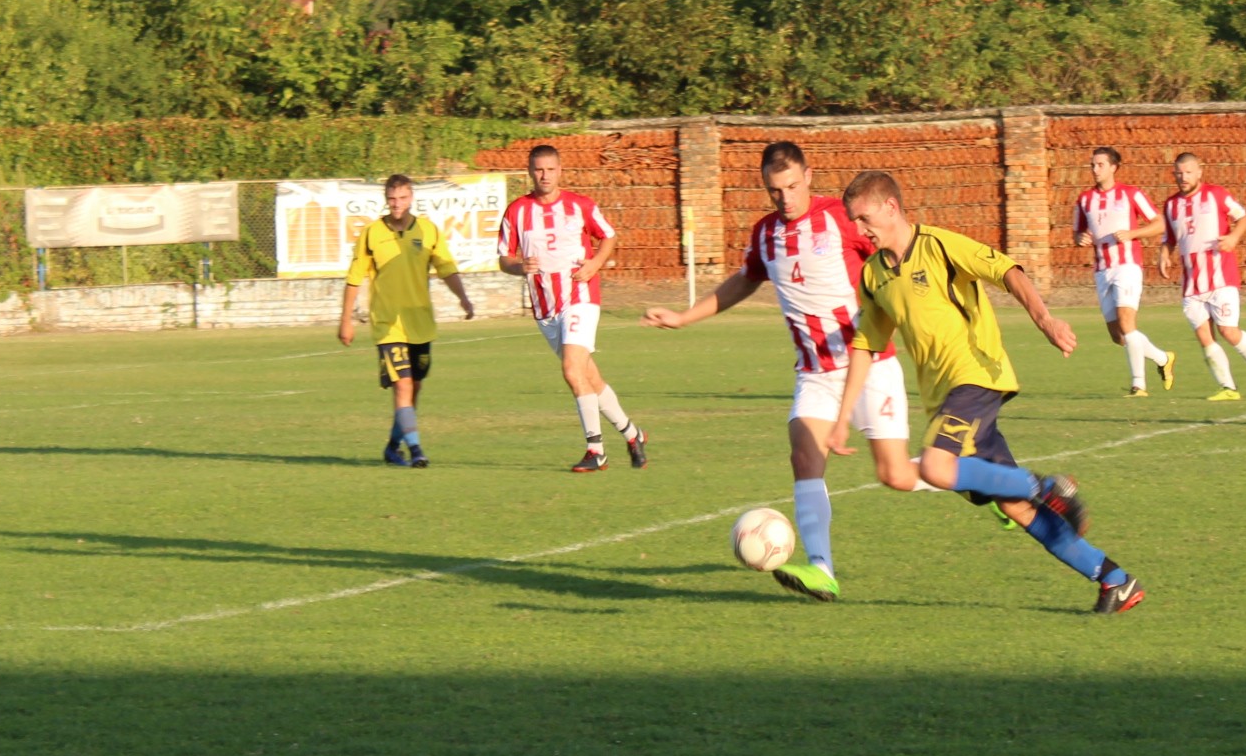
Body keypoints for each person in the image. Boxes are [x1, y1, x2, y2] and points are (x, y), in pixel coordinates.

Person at [832, 170, 1146, 615]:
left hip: (975, 376)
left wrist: (1046, 321)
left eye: (863, 218)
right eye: (852, 221)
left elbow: (1007, 271)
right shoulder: (874, 276)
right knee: (1017, 507)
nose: (859, 229)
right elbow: (866, 344)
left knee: (939, 468)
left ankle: (1048, 484)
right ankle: (1114, 579)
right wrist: (843, 416)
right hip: (943, 397)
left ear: (890, 208)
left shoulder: (939, 245)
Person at [644, 142, 916, 601]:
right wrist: (685, 316)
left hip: (870, 364)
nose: (785, 198)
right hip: (814, 372)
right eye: (775, 190)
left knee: (896, 476)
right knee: (804, 458)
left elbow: (897, 249)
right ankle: (821, 570)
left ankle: (986, 480)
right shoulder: (765, 233)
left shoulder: (839, 218)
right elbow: (746, 280)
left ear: (809, 176)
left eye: (792, 186)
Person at [498, 144, 647, 472]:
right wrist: (519, 266)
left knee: (570, 370)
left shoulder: (580, 205)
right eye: (538, 169)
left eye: (550, 169)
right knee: (588, 376)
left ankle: (596, 451)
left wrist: (594, 264)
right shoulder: (516, 211)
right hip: (545, 308)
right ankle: (633, 434)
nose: (544, 175)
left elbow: (608, 236)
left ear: (560, 170)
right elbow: (504, 259)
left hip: (580, 298)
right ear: (529, 171)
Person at [336, 174, 475, 467]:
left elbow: (446, 267)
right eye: (392, 199)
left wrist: (463, 297)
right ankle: (416, 451)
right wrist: (345, 320)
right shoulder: (372, 234)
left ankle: (392, 446)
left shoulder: (427, 231)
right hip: (387, 324)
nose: (397, 204)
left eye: (402, 198)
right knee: (403, 386)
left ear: (411, 199)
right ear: (386, 200)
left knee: (415, 388)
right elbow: (354, 278)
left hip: (420, 323)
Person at [1159, 152, 1246, 402]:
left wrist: (1233, 238)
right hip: (1191, 285)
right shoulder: (1171, 205)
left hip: (1221, 278)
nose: (1183, 177)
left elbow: (1243, 217)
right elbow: (1169, 238)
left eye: (1188, 172)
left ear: (1200, 171)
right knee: (1204, 337)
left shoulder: (1216, 194)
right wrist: (1164, 255)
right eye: (1178, 172)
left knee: (1228, 331)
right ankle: (1228, 388)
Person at [1071, 146, 1175, 396]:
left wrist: (1132, 234)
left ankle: (1138, 384)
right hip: (1101, 270)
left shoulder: (1131, 194)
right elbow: (1076, 233)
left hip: (1127, 266)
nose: (1095, 169)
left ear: (1114, 167)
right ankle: (1162, 358)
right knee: (1118, 336)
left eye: (1100, 165)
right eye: (1093, 165)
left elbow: (1159, 224)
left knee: (1127, 323)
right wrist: (1080, 238)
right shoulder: (1084, 200)